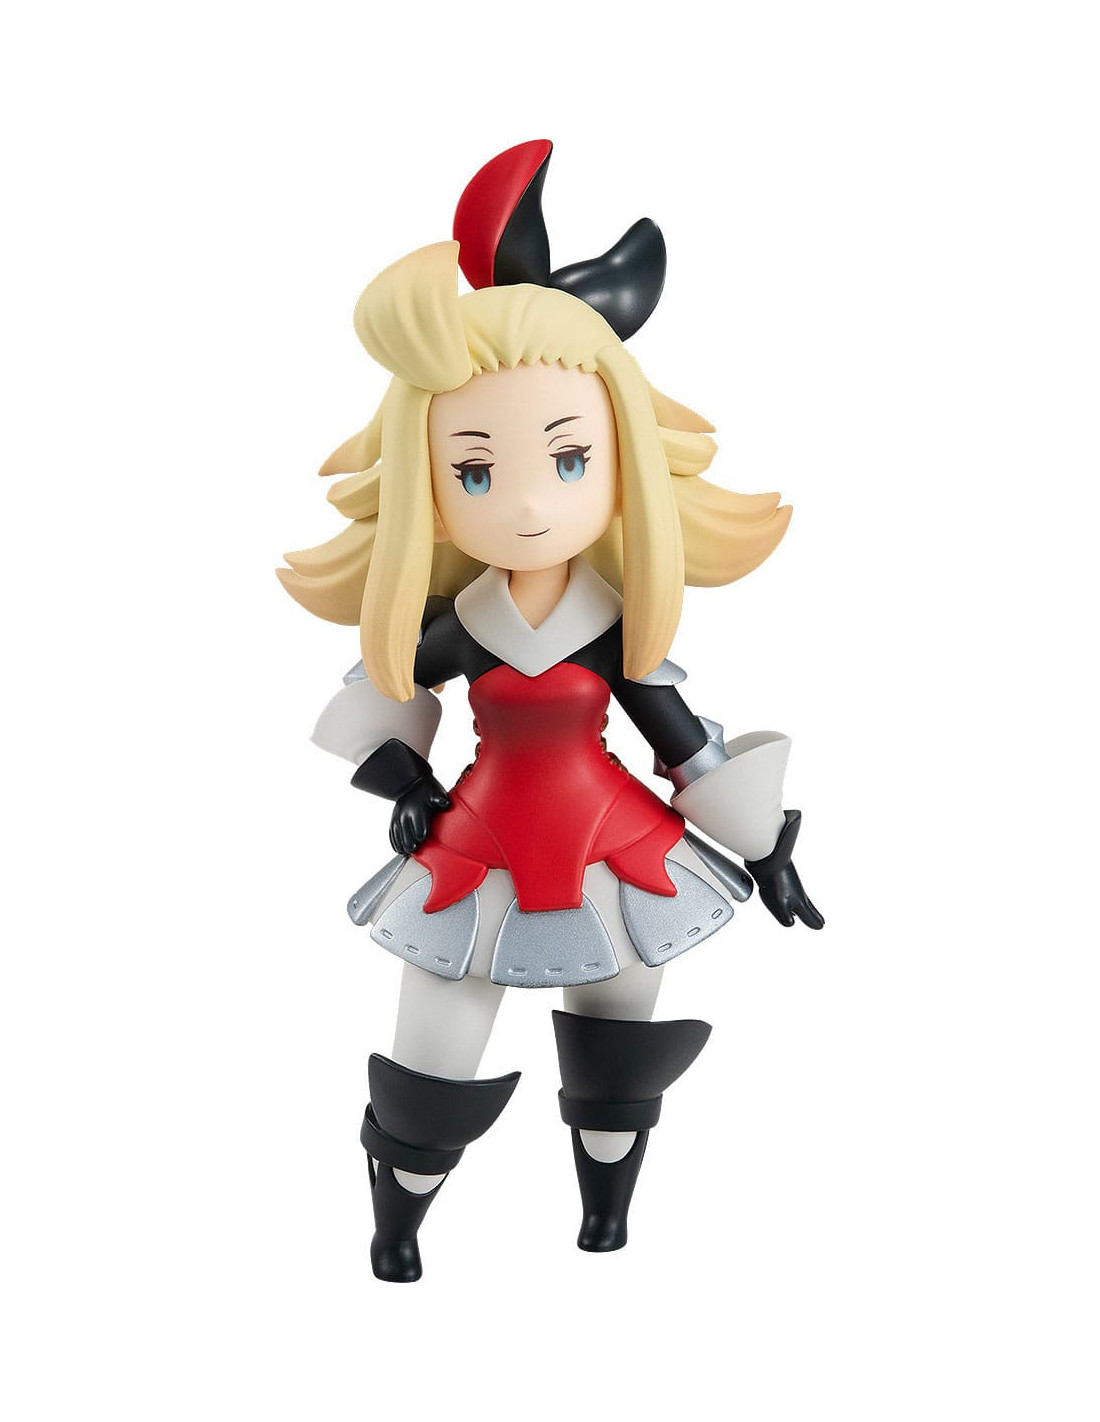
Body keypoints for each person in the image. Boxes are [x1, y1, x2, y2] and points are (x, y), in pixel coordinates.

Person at [279, 141, 823, 1283]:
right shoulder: (461, 624)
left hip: (619, 848)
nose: (526, 503)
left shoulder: (616, 626)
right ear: (430, 485)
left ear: (619, 463)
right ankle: (398, 1217)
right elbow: (387, 693)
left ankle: (604, 1213)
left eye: (567, 460)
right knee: (435, 1045)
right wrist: (407, 783)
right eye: (475, 473)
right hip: (475, 846)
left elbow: (682, 740)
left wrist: (767, 848)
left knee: (619, 1041)